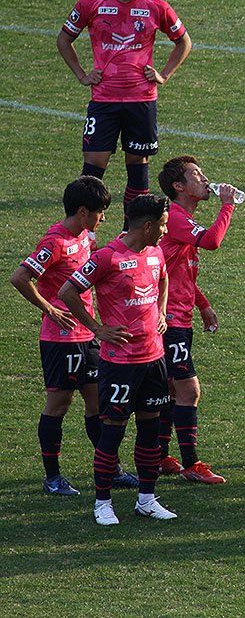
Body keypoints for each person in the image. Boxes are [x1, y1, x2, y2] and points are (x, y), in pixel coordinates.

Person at [11, 176, 138, 495]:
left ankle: (112, 469)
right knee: (59, 404)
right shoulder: (55, 241)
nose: (103, 218)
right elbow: (20, 277)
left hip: (88, 334)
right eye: (100, 211)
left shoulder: (85, 236)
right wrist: (49, 309)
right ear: (83, 211)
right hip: (60, 339)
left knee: (97, 403)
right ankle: (53, 477)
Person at [57, 0, 192, 230]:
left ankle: (130, 235)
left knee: (138, 173)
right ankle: (84, 235)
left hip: (141, 100)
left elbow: (183, 41)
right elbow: (64, 39)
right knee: (92, 172)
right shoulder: (92, 3)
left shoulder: (155, 6)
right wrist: (81, 74)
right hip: (104, 100)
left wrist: (164, 74)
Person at [58, 194, 176, 525]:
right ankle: (103, 503)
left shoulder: (155, 252)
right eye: (163, 225)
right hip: (120, 363)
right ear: (148, 226)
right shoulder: (107, 257)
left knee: (150, 429)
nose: (166, 231)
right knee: (113, 431)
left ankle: (147, 500)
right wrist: (97, 328)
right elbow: (67, 291)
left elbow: (164, 277)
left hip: (154, 358)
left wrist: (161, 311)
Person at [154, 156, 239, 484]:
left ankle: (159, 456)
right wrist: (227, 205)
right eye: (196, 175)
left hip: (176, 317)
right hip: (169, 320)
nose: (205, 180)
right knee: (189, 390)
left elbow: (178, 273)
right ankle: (191, 464)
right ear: (179, 186)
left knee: (171, 389)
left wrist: (202, 305)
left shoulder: (180, 220)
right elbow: (212, 241)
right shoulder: (176, 217)